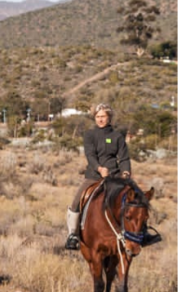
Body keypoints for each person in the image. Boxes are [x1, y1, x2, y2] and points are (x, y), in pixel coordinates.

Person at [64, 103, 157, 249]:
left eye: (103, 116)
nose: (100, 119)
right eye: (98, 116)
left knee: (139, 199)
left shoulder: (117, 136)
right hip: (94, 176)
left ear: (109, 118)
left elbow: (124, 158)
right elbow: (90, 155)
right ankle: (73, 235)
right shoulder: (90, 135)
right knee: (76, 201)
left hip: (115, 177)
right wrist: (99, 169)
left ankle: (143, 234)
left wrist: (126, 172)